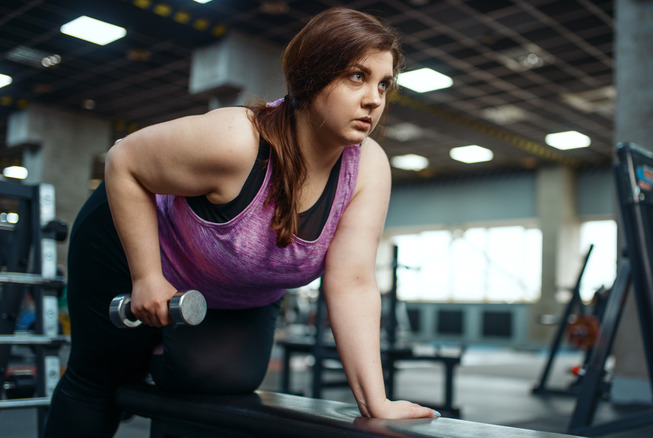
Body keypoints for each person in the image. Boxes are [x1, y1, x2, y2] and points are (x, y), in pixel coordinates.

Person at [43, 7, 438, 437]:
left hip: (232, 285)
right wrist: (147, 277)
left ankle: (164, 354)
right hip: (128, 250)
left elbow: (354, 281)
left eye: (384, 83)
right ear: (311, 76)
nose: (374, 98)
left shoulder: (368, 168)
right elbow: (124, 160)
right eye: (357, 77)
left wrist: (375, 402)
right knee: (100, 379)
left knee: (221, 382)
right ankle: (124, 362)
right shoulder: (237, 140)